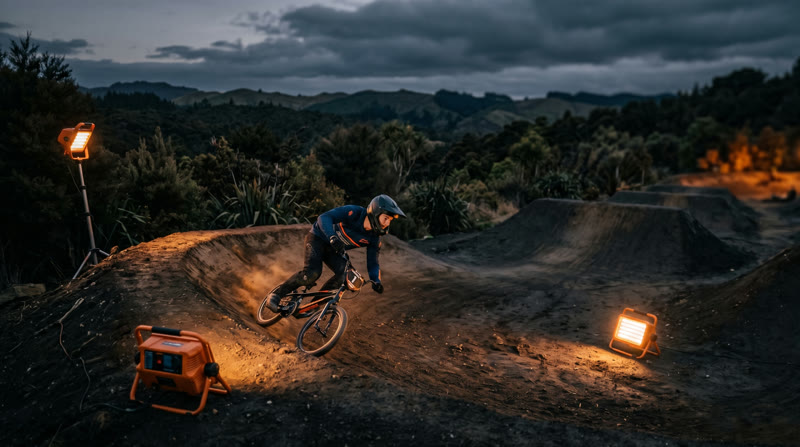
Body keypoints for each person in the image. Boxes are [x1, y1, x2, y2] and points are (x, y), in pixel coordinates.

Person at [265, 194, 406, 312]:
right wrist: (332, 236)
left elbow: (373, 262)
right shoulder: (354, 212)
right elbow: (324, 218)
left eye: (390, 220)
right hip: (318, 238)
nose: (387, 223)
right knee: (312, 274)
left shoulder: (374, 238)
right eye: (386, 218)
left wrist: (376, 280)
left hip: (334, 250)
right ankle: (276, 295)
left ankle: (312, 306)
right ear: (375, 212)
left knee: (345, 275)